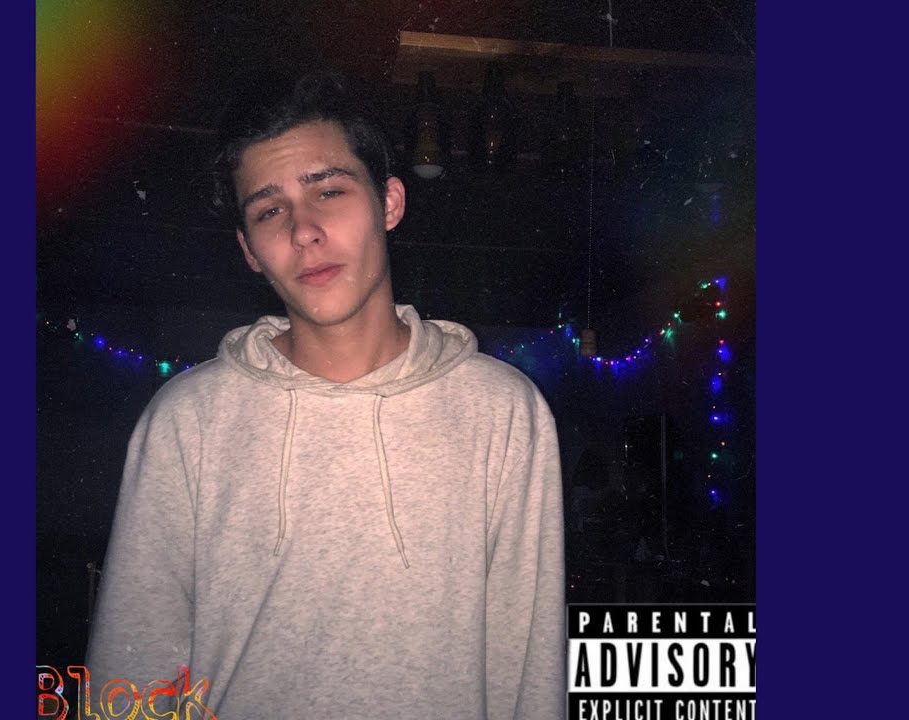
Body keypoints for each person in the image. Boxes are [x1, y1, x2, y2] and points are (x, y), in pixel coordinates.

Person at [86, 72, 566, 718]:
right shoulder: (186, 423)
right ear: (249, 250)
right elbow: (132, 679)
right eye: (268, 210)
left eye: (329, 191)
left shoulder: (503, 413)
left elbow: (529, 676)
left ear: (389, 203)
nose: (303, 230)